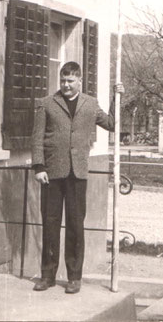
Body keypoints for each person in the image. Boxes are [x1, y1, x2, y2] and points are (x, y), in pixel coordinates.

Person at [31, 61, 123, 294]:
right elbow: (37, 138)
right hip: (51, 174)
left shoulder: (90, 104)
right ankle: (47, 275)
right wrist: (39, 167)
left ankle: (74, 278)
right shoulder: (47, 104)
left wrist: (116, 97)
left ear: (80, 81)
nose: (66, 85)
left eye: (70, 81)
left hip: (78, 173)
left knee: (75, 225)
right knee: (50, 225)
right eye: (63, 80)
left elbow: (112, 124)